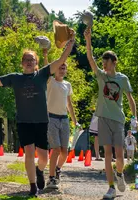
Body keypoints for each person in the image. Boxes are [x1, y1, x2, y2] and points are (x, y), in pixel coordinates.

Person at [0, 30, 76, 196]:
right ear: (22, 63)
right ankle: (32, 187)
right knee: (29, 153)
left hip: (41, 122)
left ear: (36, 62)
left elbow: (61, 60)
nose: (29, 62)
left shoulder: (43, 74)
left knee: (43, 157)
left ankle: (39, 171)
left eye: (32, 60)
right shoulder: (14, 78)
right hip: (24, 122)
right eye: (26, 60)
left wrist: (71, 41)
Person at [84, 28, 138, 199]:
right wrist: (88, 40)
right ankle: (111, 188)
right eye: (103, 63)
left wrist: (134, 117)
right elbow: (90, 60)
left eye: (106, 63)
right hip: (103, 119)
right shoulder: (101, 76)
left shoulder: (122, 79)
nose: (103, 65)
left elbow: (130, 98)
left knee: (120, 157)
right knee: (108, 154)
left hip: (118, 120)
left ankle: (120, 174)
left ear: (114, 62)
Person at [42, 48, 80, 189]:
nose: (62, 70)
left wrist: (75, 121)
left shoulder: (67, 85)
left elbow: (69, 104)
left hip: (64, 119)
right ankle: (51, 178)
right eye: (60, 67)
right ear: (55, 69)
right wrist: (45, 55)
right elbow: (46, 69)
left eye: (64, 68)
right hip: (51, 118)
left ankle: (57, 169)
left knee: (65, 151)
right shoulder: (50, 81)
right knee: (56, 150)